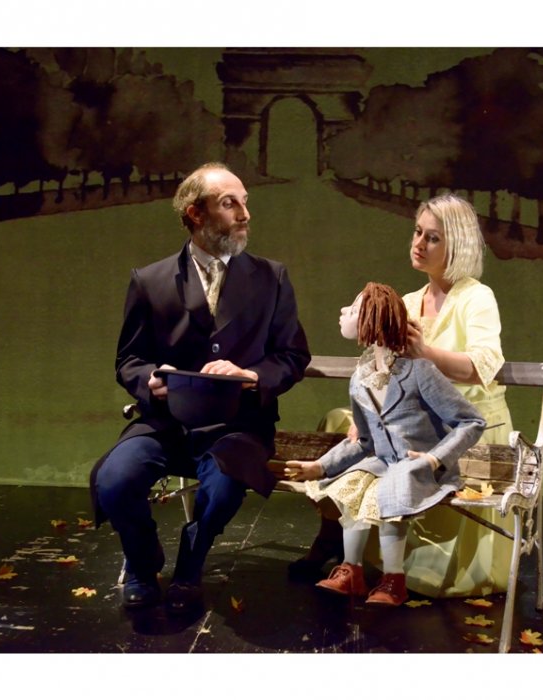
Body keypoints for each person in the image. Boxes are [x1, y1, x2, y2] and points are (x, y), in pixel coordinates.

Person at [90, 162, 310, 612]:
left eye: (245, 202)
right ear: (195, 213)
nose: (245, 214)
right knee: (113, 480)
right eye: (230, 203)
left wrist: (250, 375)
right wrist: (151, 380)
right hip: (166, 423)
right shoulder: (150, 281)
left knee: (225, 487)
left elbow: (292, 355)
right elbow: (129, 361)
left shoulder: (271, 278)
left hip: (238, 425)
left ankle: (193, 557)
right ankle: (143, 559)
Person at [291, 193, 514, 598]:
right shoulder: (410, 302)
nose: (418, 243)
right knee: (341, 420)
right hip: (413, 418)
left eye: (433, 238)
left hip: (455, 421)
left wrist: (426, 353)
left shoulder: (475, 297)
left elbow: (482, 366)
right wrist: (368, 415)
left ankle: (369, 556)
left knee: (375, 439)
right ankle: (337, 538)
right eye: (417, 232)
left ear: (457, 246)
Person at [284, 282, 485, 605]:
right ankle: (351, 570)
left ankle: (394, 579)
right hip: (383, 461)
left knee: (394, 486)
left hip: (419, 466)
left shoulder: (418, 371)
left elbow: (471, 421)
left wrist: (434, 458)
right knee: (352, 484)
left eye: (353, 309)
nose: (343, 312)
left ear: (371, 321)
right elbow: (364, 440)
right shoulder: (361, 377)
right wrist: (319, 466)